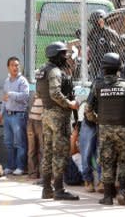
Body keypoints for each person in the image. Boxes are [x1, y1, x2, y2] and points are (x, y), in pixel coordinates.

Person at [84, 53, 125, 206]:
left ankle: (108, 197)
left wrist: (96, 119)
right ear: (119, 68)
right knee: (124, 161)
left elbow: (88, 108)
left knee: (106, 161)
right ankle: (123, 192)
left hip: (104, 129)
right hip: (124, 129)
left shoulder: (98, 85)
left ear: (103, 68)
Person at [36, 41, 80, 200]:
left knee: (47, 152)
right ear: (56, 55)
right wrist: (70, 104)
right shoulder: (54, 71)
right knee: (60, 152)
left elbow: (40, 93)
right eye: (62, 53)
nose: (65, 56)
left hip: (47, 114)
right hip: (58, 115)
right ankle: (59, 190)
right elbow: (55, 93)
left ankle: (47, 189)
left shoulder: (43, 70)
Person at [0, 56, 29, 176]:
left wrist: (11, 94)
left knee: (20, 142)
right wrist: (1, 113)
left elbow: (25, 96)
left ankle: (20, 167)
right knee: (8, 142)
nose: (15, 67)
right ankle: (10, 166)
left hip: (18, 115)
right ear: (8, 67)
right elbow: (4, 99)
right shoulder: (6, 81)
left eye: (17, 65)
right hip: (8, 115)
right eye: (13, 65)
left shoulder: (22, 81)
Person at [88, 9, 122, 80]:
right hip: (95, 63)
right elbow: (88, 41)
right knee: (93, 79)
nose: (94, 25)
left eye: (95, 23)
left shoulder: (107, 31)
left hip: (106, 64)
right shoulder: (93, 33)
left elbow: (117, 40)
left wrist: (104, 27)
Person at [27, 93, 43, 180]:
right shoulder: (36, 91)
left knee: (42, 149)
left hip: (42, 122)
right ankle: (33, 173)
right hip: (31, 120)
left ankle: (43, 173)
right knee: (31, 150)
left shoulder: (50, 88)